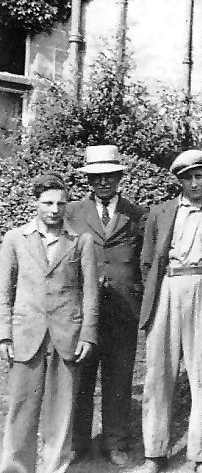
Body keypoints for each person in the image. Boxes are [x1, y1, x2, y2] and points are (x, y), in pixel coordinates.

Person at [139, 150, 202, 473]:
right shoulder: (161, 212)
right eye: (188, 178)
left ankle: (201, 453)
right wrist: (159, 293)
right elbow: (147, 261)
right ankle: (155, 452)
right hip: (168, 288)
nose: (195, 183)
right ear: (178, 180)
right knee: (158, 373)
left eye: (200, 176)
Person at [0, 173, 98, 473]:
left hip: (66, 333)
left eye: (60, 203)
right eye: (47, 203)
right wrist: (4, 335)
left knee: (61, 410)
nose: (54, 210)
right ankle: (16, 468)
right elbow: (4, 289)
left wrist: (87, 335)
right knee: (21, 409)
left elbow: (90, 292)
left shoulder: (81, 240)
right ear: (36, 203)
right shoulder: (16, 238)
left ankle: (56, 467)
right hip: (26, 333)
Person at [68, 145, 147, 467]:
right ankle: (77, 442)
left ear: (119, 177)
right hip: (83, 310)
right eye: (96, 177)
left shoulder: (136, 213)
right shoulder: (73, 212)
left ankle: (116, 440)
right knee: (81, 376)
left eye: (110, 176)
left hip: (122, 311)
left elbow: (145, 261)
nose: (103, 182)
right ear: (89, 179)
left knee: (119, 377)